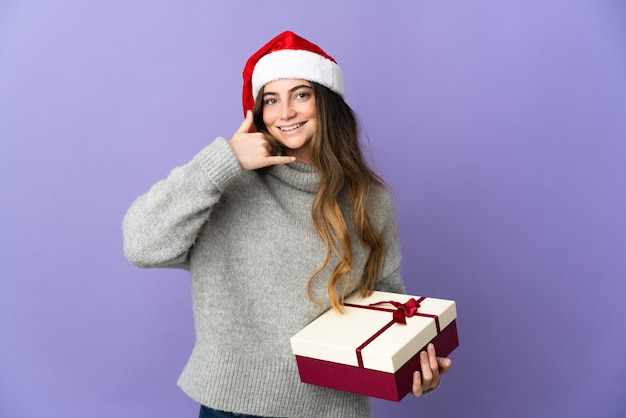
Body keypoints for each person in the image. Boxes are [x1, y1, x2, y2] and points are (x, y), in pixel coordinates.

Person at [123, 31, 452, 418]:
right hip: (236, 409)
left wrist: (416, 369)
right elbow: (141, 244)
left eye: (301, 95)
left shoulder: (369, 200)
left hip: (336, 410)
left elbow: (385, 307)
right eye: (271, 100)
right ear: (258, 113)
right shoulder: (227, 185)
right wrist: (222, 161)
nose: (286, 113)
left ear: (325, 101)